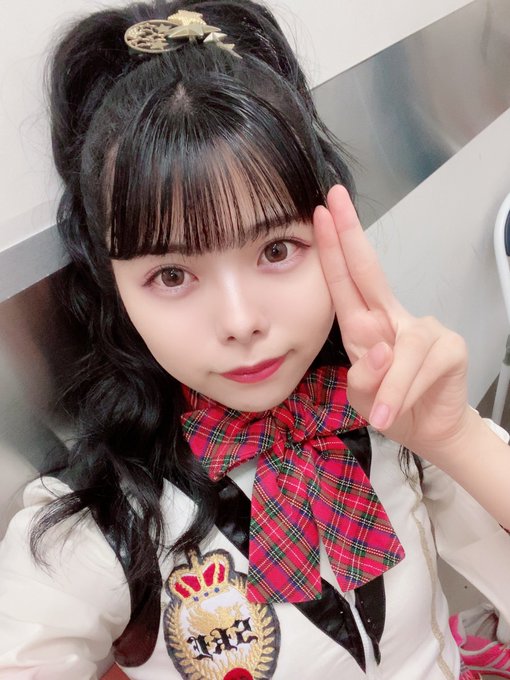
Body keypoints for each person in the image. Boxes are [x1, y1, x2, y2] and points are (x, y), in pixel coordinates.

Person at [0, 1, 509, 678]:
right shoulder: (104, 523)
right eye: (172, 274)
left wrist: (457, 439)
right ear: (112, 285)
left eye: (276, 250)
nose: (240, 321)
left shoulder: (394, 414)